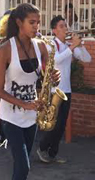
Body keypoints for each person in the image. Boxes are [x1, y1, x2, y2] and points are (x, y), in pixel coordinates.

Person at [0, 3, 60, 180]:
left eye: (38, 22)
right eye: (32, 22)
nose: (36, 26)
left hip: (32, 116)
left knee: (21, 169)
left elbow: (43, 79)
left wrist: (52, 76)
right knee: (23, 165)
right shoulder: (6, 48)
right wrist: (24, 104)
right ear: (19, 22)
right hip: (10, 115)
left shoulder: (41, 46)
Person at [37, 15, 91, 164]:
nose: (65, 28)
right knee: (55, 123)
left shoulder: (68, 45)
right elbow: (55, 61)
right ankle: (42, 148)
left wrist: (80, 45)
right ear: (54, 30)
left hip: (66, 90)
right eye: (61, 26)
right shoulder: (50, 44)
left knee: (62, 125)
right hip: (54, 91)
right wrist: (72, 46)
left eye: (65, 25)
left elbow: (87, 59)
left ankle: (52, 153)